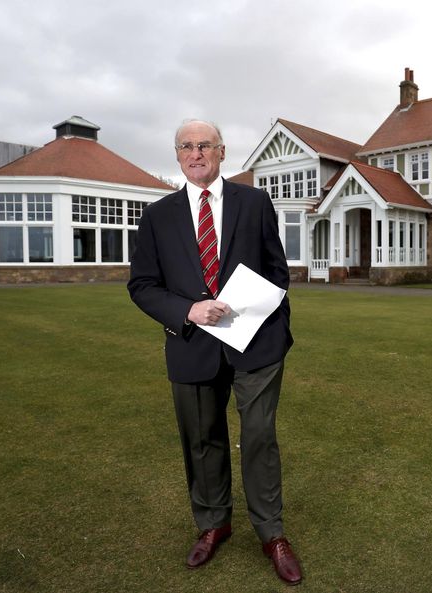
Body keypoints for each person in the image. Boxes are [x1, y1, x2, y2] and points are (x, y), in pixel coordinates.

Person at [127, 119, 301, 586]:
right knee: (202, 441)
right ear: (178, 155)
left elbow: (277, 272)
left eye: (204, 145)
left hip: (256, 343)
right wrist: (188, 309)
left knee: (260, 435)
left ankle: (272, 533)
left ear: (222, 152)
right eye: (185, 146)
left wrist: (261, 312)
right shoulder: (158, 216)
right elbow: (142, 286)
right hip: (192, 345)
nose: (195, 153)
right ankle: (213, 524)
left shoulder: (255, 202)